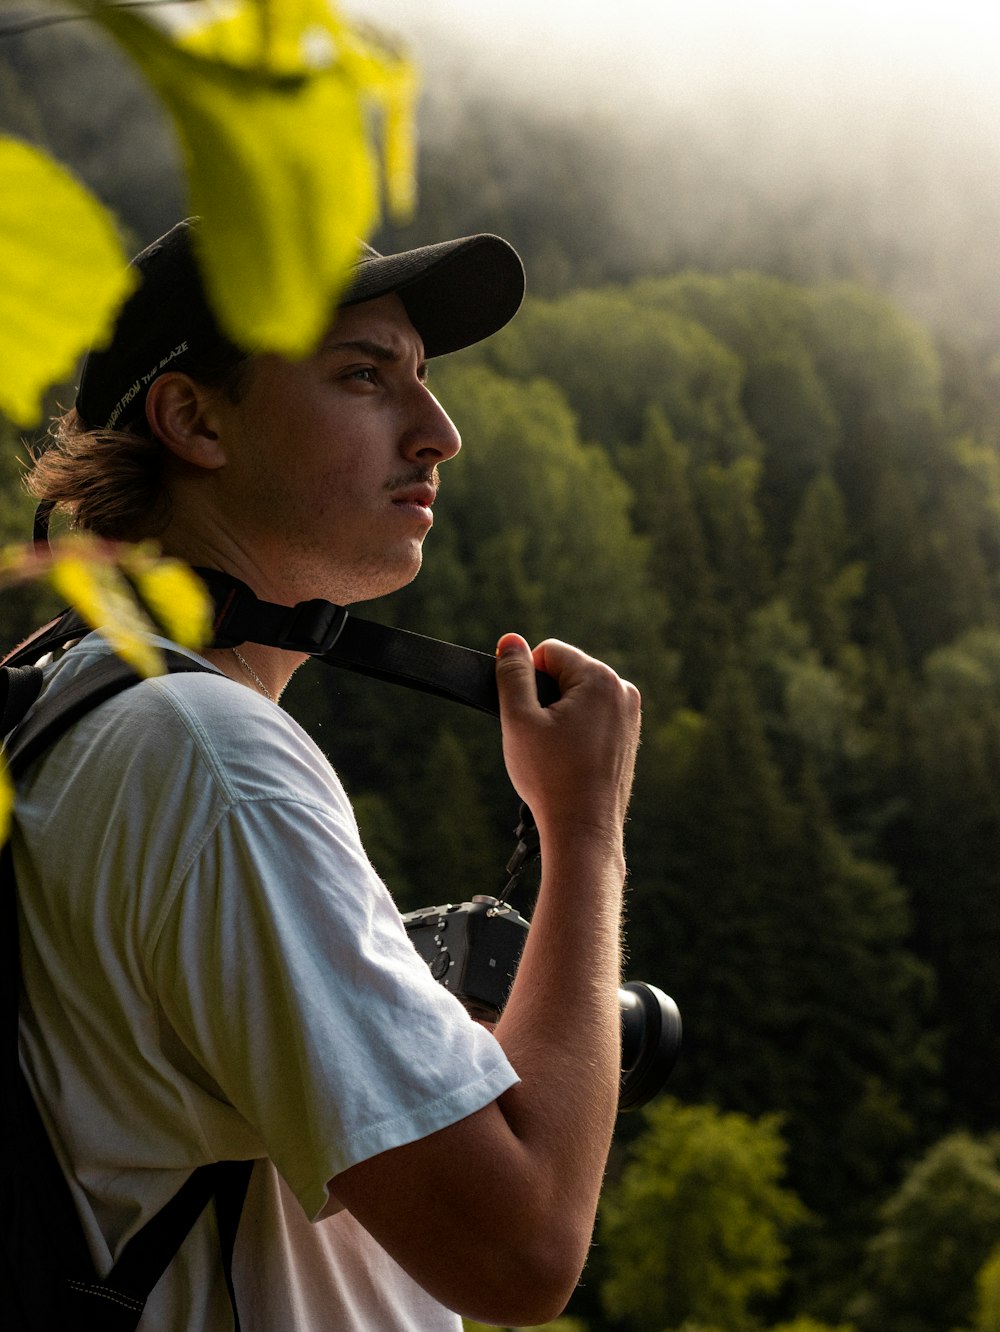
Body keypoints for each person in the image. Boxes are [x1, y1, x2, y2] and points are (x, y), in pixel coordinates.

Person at [15, 219, 641, 1330]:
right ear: (193, 419)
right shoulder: (214, 764)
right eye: (364, 376)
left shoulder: (65, 707)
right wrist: (584, 829)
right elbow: (521, 1251)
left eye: (425, 382)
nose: (438, 433)